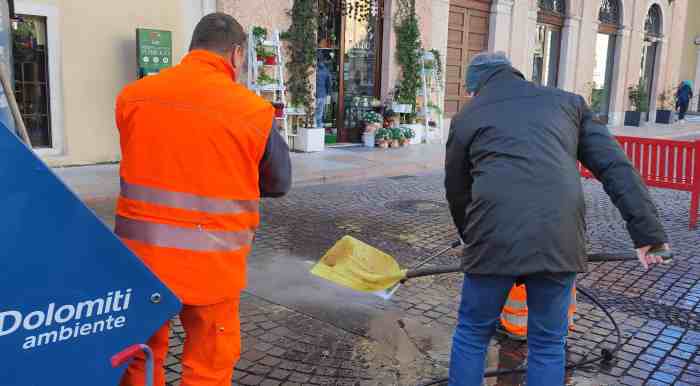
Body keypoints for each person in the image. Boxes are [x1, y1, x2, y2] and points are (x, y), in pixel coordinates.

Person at [445, 52, 669, 386]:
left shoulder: (467, 116)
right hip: (558, 239)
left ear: (476, 88)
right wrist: (647, 233)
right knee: (548, 344)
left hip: (491, 240)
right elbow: (615, 168)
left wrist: (469, 237)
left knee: (471, 334)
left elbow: (457, 190)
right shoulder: (568, 104)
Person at [116, 13, 291, 386]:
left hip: (141, 261)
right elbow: (278, 183)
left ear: (192, 48)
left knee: (141, 359)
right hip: (213, 266)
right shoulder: (253, 111)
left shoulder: (133, 97)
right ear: (237, 54)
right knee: (209, 366)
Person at [315, 55, 332, 128]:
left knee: (312, 114)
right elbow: (329, 83)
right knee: (319, 114)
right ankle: (318, 129)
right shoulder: (326, 70)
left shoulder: (314, 68)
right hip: (322, 94)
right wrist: (328, 93)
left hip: (314, 94)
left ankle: (314, 128)